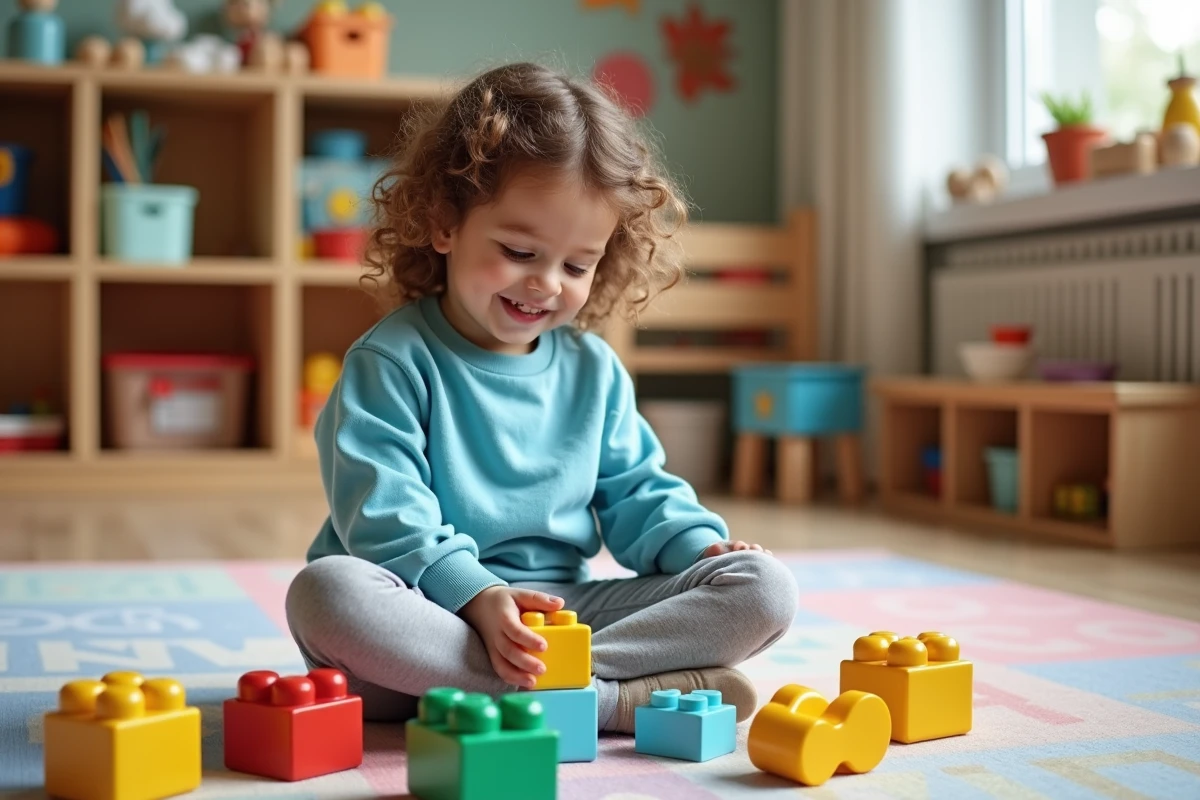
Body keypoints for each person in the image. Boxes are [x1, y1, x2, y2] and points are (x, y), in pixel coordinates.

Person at [285, 61, 798, 733]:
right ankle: (607, 703)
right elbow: (386, 520)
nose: (547, 283)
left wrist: (700, 548)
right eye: (520, 251)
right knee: (327, 592)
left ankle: (538, 690)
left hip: (560, 618)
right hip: (425, 613)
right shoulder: (390, 362)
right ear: (444, 223)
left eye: (577, 265)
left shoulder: (595, 369)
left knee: (765, 590)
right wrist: (477, 595)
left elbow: (640, 494)